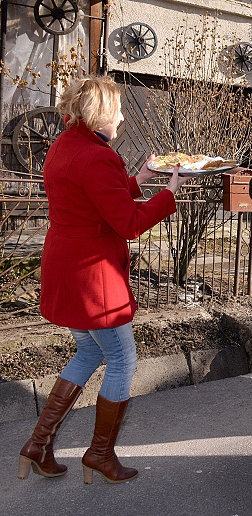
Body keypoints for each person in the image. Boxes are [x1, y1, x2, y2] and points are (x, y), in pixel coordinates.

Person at [17, 76, 189, 484]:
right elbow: (127, 222)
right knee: (122, 359)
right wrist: (169, 193)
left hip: (67, 266)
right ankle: (99, 454)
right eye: (118, 111)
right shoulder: (98, 156)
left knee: (89, 352)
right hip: (93, 275)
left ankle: (38, 444)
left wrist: (140, 177)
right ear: (100, 115)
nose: (122, 117)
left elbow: (96, 197)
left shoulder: (63, 145)